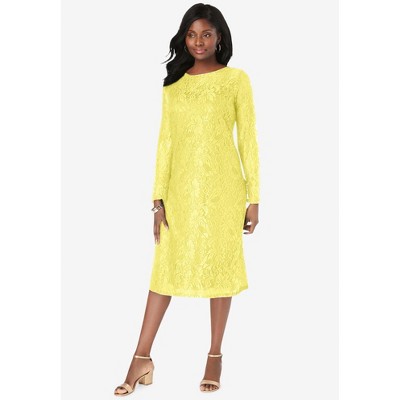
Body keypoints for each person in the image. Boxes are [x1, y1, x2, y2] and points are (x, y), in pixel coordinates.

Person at [114, 3, 260, 396]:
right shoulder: (173, 86)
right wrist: (158, 200)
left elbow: (248, 139)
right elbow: (165, 143)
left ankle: (214, 356)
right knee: (164, 272)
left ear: (219, 38)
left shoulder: (236, 80)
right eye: (192, 34)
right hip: (179, 193)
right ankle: (141, 357)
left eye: (206, 34)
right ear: (184, 38)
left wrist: (254, 197)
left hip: (224, 191)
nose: (198, 41)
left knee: (220, 268)